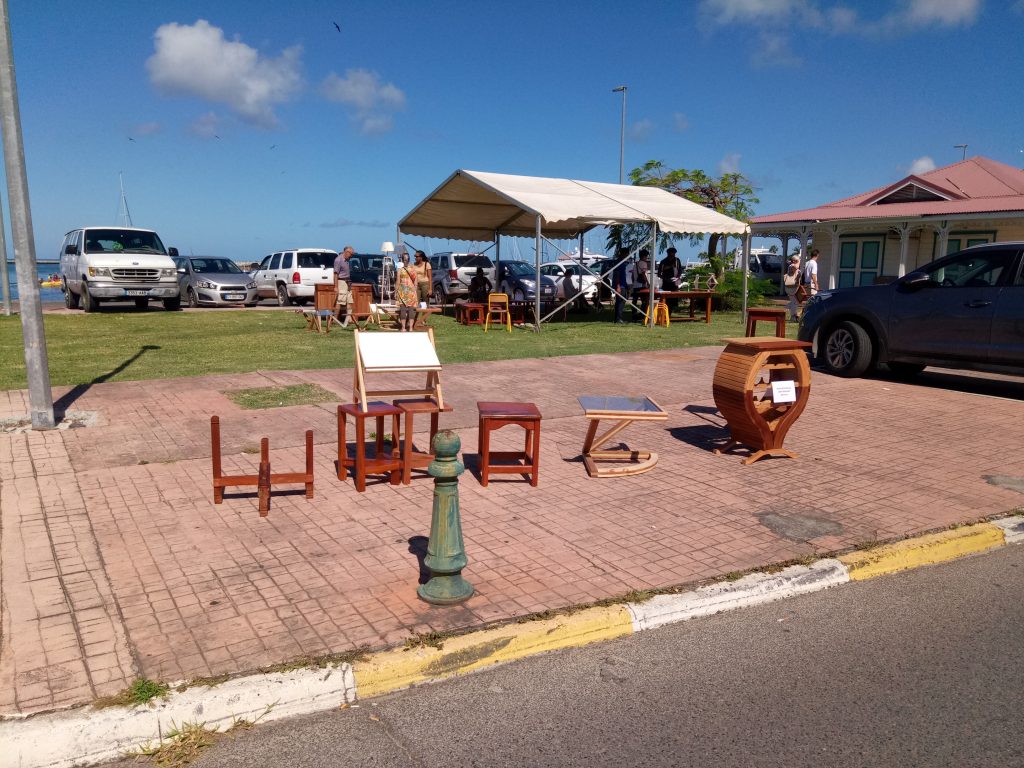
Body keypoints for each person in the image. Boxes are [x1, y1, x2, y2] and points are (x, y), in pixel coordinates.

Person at [395, 252, 418, 331]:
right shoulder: (413, 269)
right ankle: (408, 328)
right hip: (409, 291)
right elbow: (416, 282)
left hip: (404, 291)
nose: (406, 261)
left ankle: (405, 328)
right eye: (405, 259)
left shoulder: (400, 270)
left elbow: (398, 282)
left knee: (405, 310)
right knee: (408, 309)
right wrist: (415, 291)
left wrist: (396, 292)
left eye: (407, 259)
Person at [334, 245, 354, 326]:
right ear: (346, 252)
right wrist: (336, 286)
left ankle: (349, 319)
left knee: (349, 301)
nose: (351, 256)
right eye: (351, 254)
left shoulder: (347, 260)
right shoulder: (338, 260)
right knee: (340, 301)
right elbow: (335, 274)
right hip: (341, 282)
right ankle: (335, 319)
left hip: (348, 282)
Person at [612, 247, 632, 324]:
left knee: (621, 301)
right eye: (627, 254)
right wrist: (618, 286)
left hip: (623, 284)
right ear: (624, 254)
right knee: (620, 301)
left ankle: (617, 318)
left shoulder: (623, 262)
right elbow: (617, 274)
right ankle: (618, 318)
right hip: (620, 285)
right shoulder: (619, 262)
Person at [659, 246, 682, 312]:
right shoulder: (663, 262)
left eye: (674, 254)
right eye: (671, 254)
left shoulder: (677, 260)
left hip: (675, 283)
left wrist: (677, 277)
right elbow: (659, 274)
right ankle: (665, 312)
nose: (673, 256)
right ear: (668, 254)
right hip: (666, 284)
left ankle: (670, 312)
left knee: (673, 300)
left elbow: (680, 270)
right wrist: (666, 279)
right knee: (666, 300)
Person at [632, 249, 650, 322]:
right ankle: (642, 315)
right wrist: (648, 283)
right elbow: (643, 274)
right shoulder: (644, 263)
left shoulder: (635, 264)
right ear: (644, 256)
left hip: (635, 285)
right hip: (642, 285)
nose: (647, 258)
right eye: (647, 256)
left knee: (634, 301)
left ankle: (634, 314)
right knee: (644, 301)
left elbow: (632, 275)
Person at [783, 254, 802, 321]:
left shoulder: (793, 266)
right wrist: (798, 262)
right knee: (795, 302)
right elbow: (795, 267)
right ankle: (793, 316)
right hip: (791, 287)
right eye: (797, 260)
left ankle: (788, 309)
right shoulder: (792, 266)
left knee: (795, 302)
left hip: (793, 286)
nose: (798, 261)